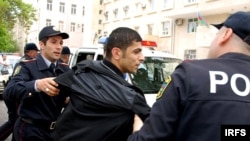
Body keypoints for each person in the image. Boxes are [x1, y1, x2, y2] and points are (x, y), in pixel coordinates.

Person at [128, 11, 250, 141]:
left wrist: (138, 130)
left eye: (216, 34)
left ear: (226, 34)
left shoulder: (190, 74)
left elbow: (150, 138)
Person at [54, 27, 151, 141]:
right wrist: (137, 132)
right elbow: (156, 129)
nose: (142, 58)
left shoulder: (81, 70)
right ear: (116, 53)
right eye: (136, 51)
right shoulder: (131, 97)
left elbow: (51, 94)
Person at [3, 25, 70, 141]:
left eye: (60, 43)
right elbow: (10, 90)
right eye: (54, 42)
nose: (59, 47)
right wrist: (37, 85)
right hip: (30, 130)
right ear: (41, 45)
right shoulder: (27, 66)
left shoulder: (65, 69)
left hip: (55, 131)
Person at [0, 43, 39, 141]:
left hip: (13, 93)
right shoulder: (27, 62)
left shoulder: (23, 60)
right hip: (15, 95)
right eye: (36, 52)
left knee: (17, 121)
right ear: (31, 52)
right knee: (15, 121)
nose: (37, 54)